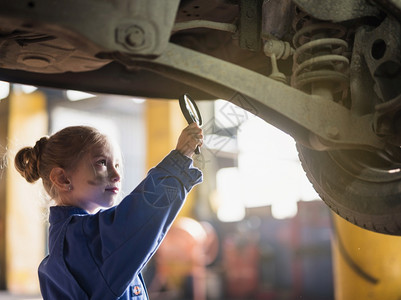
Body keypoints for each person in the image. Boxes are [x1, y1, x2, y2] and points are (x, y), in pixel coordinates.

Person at [14, 123, 203, 300]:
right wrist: (180, 158)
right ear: (62, 178)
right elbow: (140, 216)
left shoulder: (68, 238)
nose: (116, 175)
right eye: (102, 163)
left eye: (118, 165)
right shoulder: (83, 240)